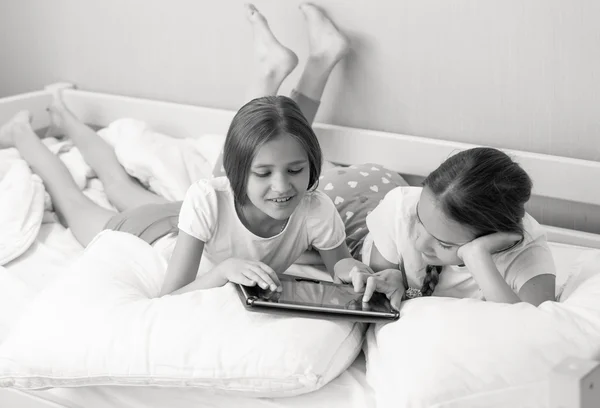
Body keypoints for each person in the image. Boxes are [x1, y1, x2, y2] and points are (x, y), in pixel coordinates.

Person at [0, 3, 370, 296]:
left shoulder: (313, 208)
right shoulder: (212, 195)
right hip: (150, 234)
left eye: (295, 171)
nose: (283, 186)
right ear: (238, 170)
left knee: (118, 183)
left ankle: (63, 117)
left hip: (183, 219)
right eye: (263, 173)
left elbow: (338, 263)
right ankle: (25, 129)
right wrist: (224, 272)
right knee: (78, 197)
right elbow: (170, 296)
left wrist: (353, 269)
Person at [343, 147, 557, 309]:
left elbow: (530, 331)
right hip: (358, 196)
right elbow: (378, 283)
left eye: (444, 244)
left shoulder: (528, 257)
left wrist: (478, 257)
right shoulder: (401, 209)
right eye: (420, 219)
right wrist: (394, 277)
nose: (419, 244)